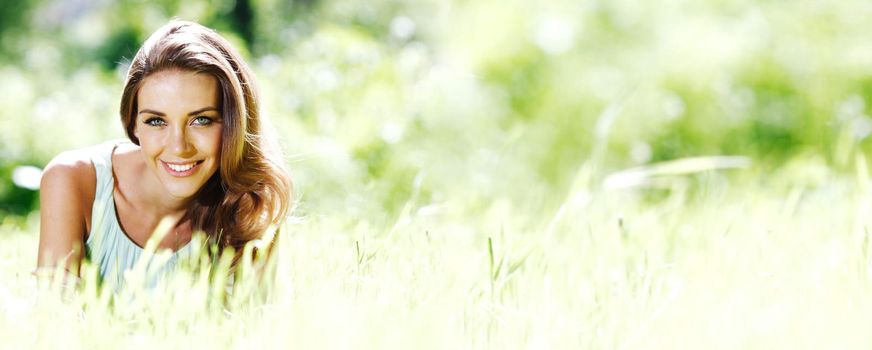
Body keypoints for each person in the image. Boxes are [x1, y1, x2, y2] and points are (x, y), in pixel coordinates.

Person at [36, 20, 292, 288]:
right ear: (133, 122)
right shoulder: (73, 180)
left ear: (234, 125)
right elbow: (55, 319)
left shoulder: (251, 207)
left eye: (201, 120)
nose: (179, 147)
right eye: (156, 121)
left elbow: (260, 326)